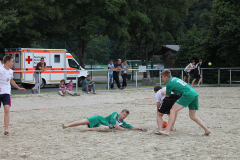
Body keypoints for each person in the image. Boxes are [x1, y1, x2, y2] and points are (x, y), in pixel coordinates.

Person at [157, 69, 211, 136]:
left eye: (162, 77)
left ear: (166, 77)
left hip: (187, 94)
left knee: (172, 110)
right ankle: (206, 130)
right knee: (192, 116)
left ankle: (167, 131)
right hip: (194, 93)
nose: (162, 78)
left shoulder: (169, 84)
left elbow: (168, 95)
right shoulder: (175, 79)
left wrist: (164, 93)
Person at [0, 55, 26, 135]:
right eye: (12, 61)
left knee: (7, 110)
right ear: (7, 62)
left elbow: (11, 80)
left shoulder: (11, 71)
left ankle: (6, 129)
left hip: (7, 92)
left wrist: (19, 88)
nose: (13, 63)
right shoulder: (0, 69)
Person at [62, 109, 144, 132]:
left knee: (106, 128)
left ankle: (88, 129)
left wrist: (138, 128)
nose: (124, 116)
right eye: (124, 114)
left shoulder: (122, 122)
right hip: (98, 119)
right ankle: (66, 126)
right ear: (121, 112)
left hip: (101, 125)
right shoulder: (115, 114)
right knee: (83, 122)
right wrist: (123, 129)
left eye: (126, 116)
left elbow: (130, 126)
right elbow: (114, 124)